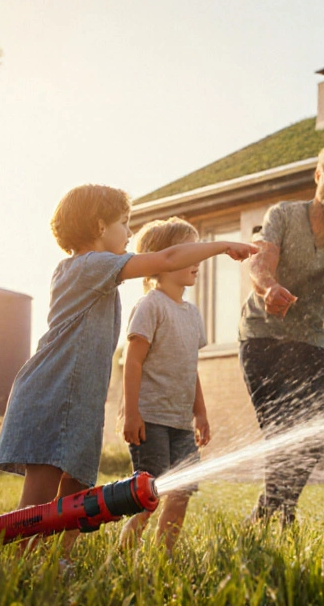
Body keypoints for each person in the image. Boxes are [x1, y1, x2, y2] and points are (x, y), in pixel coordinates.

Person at [0, 185, 257, 532]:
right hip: (54, 392)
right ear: (100, 226)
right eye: (124, 222)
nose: (130, 232)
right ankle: (22, 564)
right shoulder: (88, 266)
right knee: (40, 499)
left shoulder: (92, 271)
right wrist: (223, 244)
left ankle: (62, 561)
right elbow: (165, 259)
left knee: (77, 492)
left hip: (80, 398)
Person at [241, 142, 324, 524]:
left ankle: (269, 511)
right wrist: (269, 289)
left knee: (313, 437)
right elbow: (261, 264)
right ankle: (280, 517)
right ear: (318, 176)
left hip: (309, 340)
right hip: (261, 336)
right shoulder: (282, 215)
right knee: (281, 429)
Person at [117, 217, 211, 551]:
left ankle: (163, 556)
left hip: (180, 422)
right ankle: (125, 551)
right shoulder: (150, 305)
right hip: (150, 419)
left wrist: (200, 413)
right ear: (162, 259)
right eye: (189, 251)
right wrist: (131, 414)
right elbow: (133, 361)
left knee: (182, 491)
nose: (197, 259)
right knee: (148, 495)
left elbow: (191, 368)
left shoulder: (193, 314)